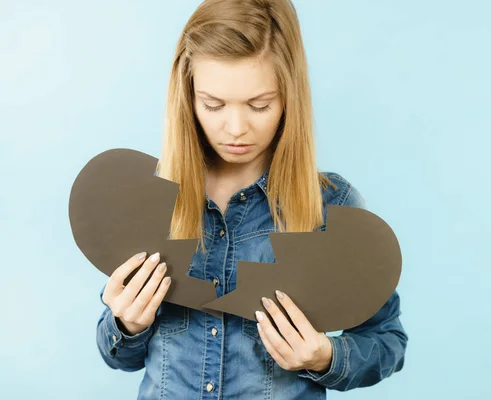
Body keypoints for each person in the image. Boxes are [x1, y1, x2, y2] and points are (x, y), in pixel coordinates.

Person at [96, 0, 408, 398]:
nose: (236, 128)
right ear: (188, 98)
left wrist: (325, 356)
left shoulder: (332, 206)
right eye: (213, 105)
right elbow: (118, 355)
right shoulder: (151, 197)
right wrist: (125, 325)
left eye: (260, 105)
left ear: (289, 97)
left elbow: (387, 341)